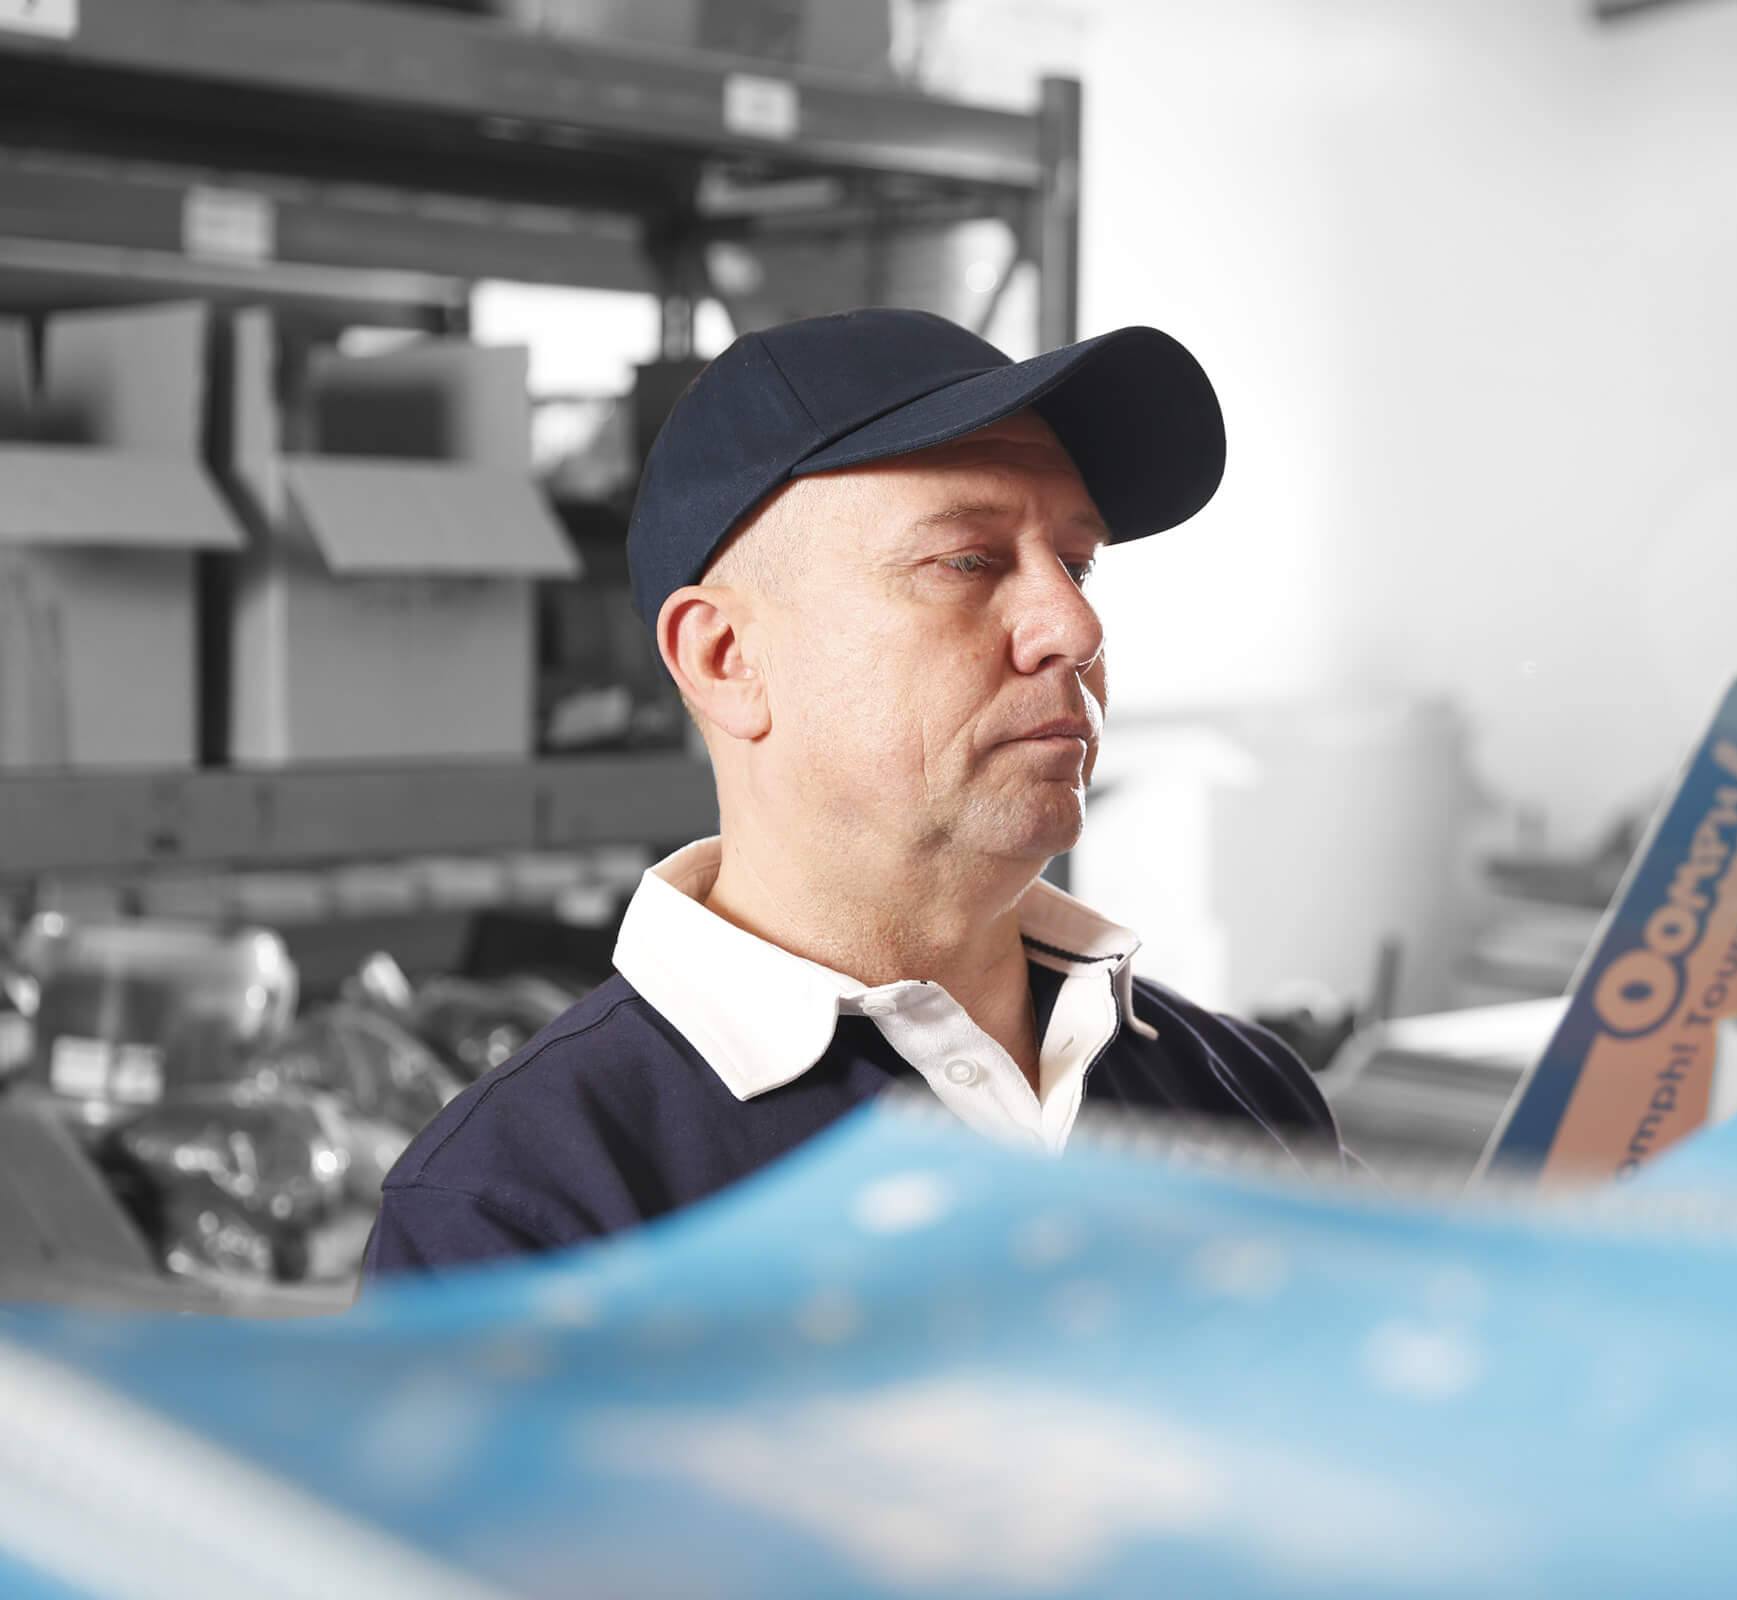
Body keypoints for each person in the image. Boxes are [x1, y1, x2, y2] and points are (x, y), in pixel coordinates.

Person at [363, 309, 1345, 1277]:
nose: (1074, 625)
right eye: (966, 559)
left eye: (1077, 564)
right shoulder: (523, 1216)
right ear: (726, 657)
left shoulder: (1242, 1096)